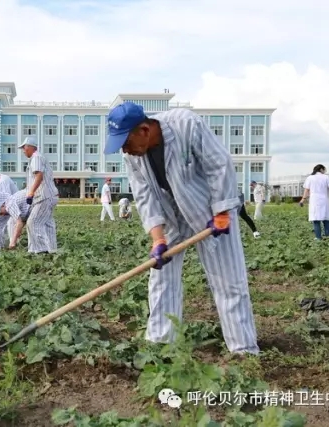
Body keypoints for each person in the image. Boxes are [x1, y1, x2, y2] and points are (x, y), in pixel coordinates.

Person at [103, 102, 259, 356]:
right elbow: (144, 196)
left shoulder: (186, 124)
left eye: (125, 141)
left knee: (228, 280)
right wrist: (157, 239)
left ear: (144, 130)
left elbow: (219, 165)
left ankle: (243, 350)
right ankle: (162, 343)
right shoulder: (132, 155)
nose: (124, 149)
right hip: (172, 212)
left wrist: (221, 212)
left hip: (211, 209)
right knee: (161, 275)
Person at [19, 136, 59, 254]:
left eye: (24, 148)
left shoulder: (36, 157)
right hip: (50, 195)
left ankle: (41, 251)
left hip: (44, 196)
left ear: (30, 147)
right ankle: (52, 250)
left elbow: (39, 176)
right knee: (47, 223)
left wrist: (31, 192)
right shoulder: (39, 157)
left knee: (33, 222)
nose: (23, 151)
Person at [299, 164, 329, 240]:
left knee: (316, 219)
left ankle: (318, 237)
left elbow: (306, 190)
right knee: (326, 219)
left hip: (314, 201)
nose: (325, 171)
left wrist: (302, 200)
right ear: (321, 169)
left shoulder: (310, 178)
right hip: (324, 200)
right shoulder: (326, 177)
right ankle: (328, 236)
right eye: (324, 169)